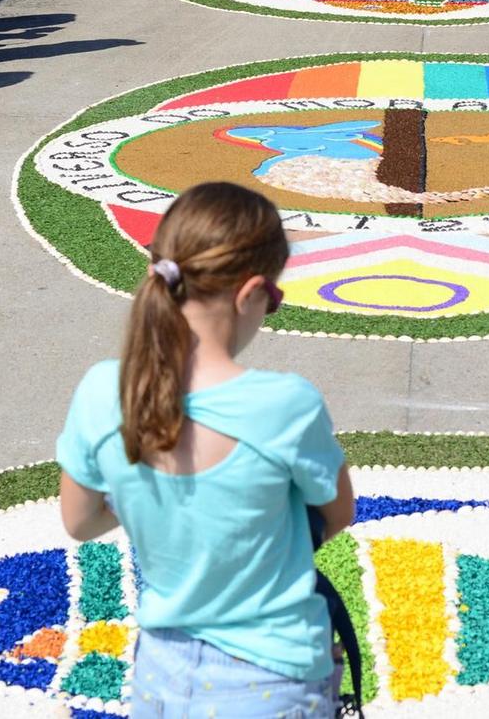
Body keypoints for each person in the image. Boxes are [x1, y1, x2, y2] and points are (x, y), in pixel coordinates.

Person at [55, 181, 355, 718]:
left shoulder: (103, 393)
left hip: (161, 680)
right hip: (277, 680)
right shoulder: (286, 405)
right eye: (275, 299)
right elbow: (337, 512)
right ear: (251, 292)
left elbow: (80, 522)